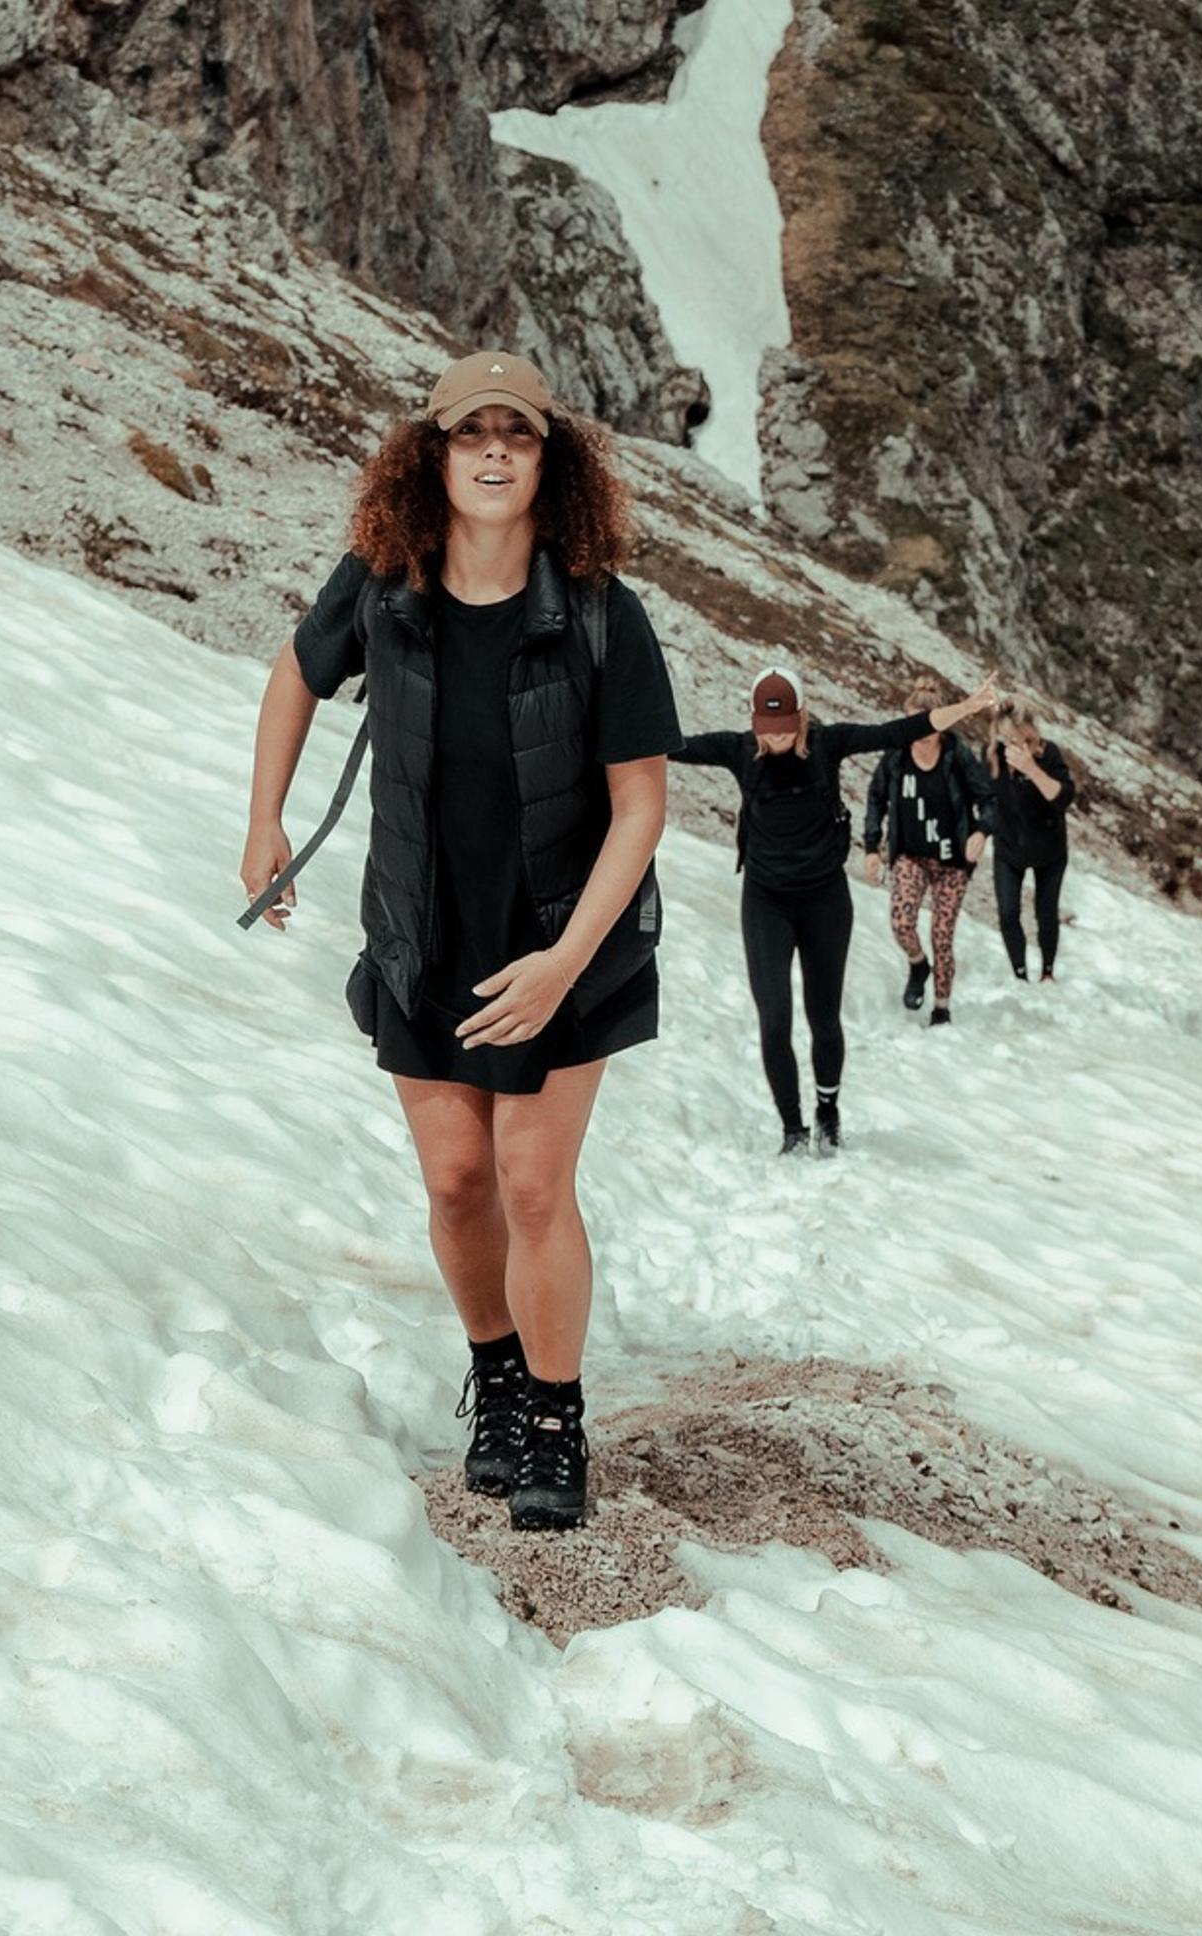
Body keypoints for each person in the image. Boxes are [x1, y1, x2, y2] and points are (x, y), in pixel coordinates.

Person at [239, 350, 677, 1537]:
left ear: (551, 461)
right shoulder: (384, 582)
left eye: (517, 435)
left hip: (562, 942)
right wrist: (264, 816)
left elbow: (640, 804)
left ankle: (553, 1416)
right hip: (423, 937)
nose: (493, 451)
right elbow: (295, 672)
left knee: (534, 1181)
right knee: (455, 1176)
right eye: (469, 432)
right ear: (429, 456)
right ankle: (493, 1373)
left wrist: (564, 965)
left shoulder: (599, 611)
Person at [672, 666, 997, 1153]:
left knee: (824, 1018)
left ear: (801, 718)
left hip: (825, 900)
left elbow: (899, 730)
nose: (775, 737)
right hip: (765, 902)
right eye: (766, 728)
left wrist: (966, 708)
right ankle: (792, 1129)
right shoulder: (738, 750)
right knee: (775, 1019)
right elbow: (668, 744)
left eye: (783, 727)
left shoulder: (828, 744)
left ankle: (828, 1109)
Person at [863, 685, 995, 1025]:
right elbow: (876, 797)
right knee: (902, 922)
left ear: (940, 724)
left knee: (942, 934)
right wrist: (871, 847)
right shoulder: (896, 756)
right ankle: (918, 964)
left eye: (925, 724)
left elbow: (989, 799)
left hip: (952, 862)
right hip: (910, 855)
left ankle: (941, 1008)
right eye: (911, 724)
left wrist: (981, 831)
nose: (917, 732)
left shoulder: (957, 755)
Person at [987, 702, 1076, 980]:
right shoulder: (993, 756)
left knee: (1046, 913)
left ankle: (1047, 972)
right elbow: (985, 797)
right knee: (1008, 912)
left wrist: (1032, 770)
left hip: (1049, 849)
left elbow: (1063, 797)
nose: (1014, 744)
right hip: (1008, 847)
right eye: (1009, 738)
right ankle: (1020, 973)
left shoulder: (1049, 754)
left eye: (1022, 738)